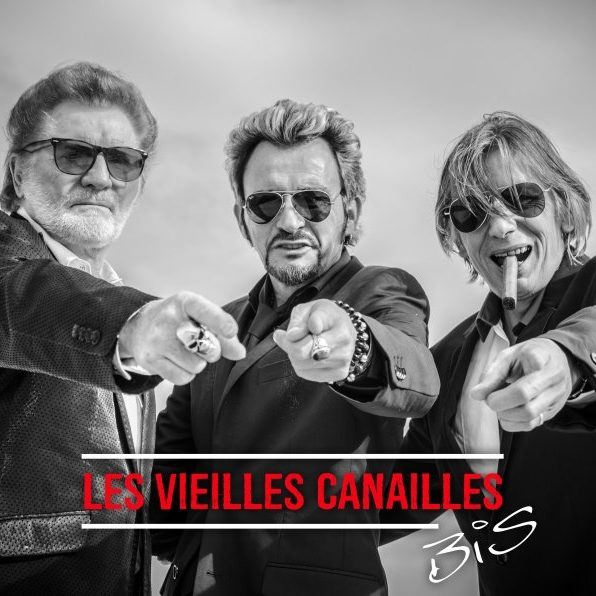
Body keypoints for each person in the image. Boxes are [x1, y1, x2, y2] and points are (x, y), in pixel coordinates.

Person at [151, 99, 440, 596]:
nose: (288, 221)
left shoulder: (382, 292)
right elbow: (166, 480)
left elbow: (416, 376)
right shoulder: (215, 324)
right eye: (266, 203)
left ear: (351, 210)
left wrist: (355, 347)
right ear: (243, 219)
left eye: (313, 201)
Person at [0, 62, 244, 596]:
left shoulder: (110, 287)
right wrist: (131, 328)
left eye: (122, 160)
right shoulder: (19, 272)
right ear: (17, 174)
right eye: (72, 153)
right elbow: (25, 297)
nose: (99, 177)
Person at [382, 111, 596, 595]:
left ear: (564, 210)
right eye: (470, 213)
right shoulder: (450, 361)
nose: (499, 225)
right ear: (458, 238)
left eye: (523, 198)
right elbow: (389, 502)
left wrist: (565, 356)